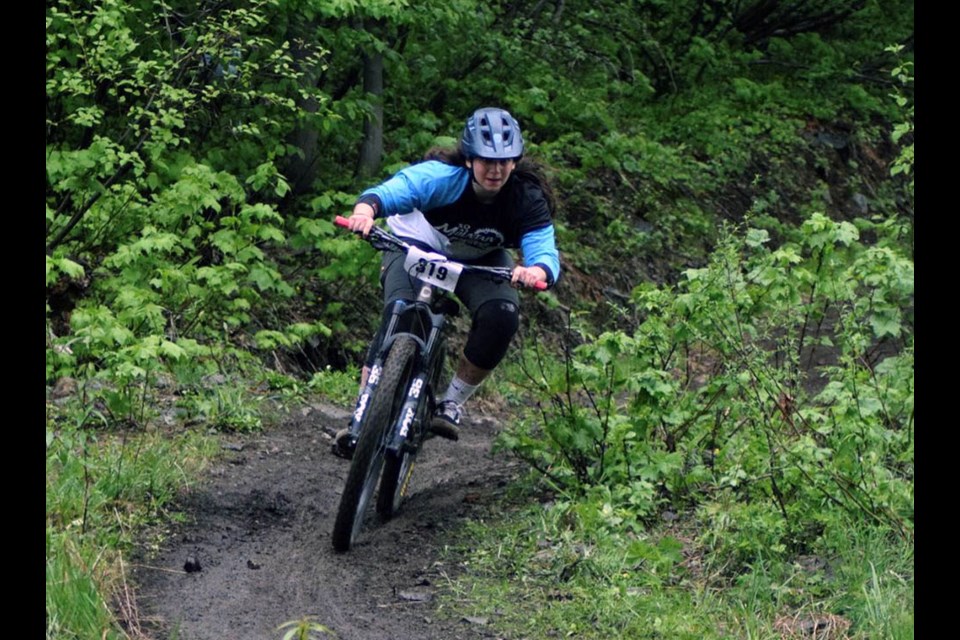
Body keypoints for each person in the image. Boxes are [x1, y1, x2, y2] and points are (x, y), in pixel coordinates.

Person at [333, 107, 560, 456]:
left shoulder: (525, 199)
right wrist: (365, 213)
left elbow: (543, 250)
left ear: (515, 162)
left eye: (504, 161)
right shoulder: (441, 178)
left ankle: (451, 402)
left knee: (502, 313)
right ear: (469, 159)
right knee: (399, 310)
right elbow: (392, 192)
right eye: (486, 160)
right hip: (417, 242)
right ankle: (362, 413)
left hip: (480, 260)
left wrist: (537, 271)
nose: (495, 170)